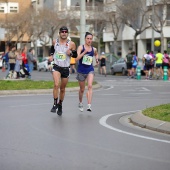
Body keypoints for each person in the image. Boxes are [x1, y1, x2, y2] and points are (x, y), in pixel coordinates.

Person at [48, 26, 77, 115]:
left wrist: (71, 53)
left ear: (67, 33)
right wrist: (51, 55)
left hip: (65, 68)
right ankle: (54, 103)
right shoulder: (55, 41)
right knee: (56, 84)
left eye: (65, 32)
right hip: (56, 66)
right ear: (59, 33)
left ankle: (60, 104)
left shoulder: (71, 44)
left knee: (63, 89)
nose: (64, 33)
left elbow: (75, 55)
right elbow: (52, 49)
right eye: (62, 32)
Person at [75, 32, 99, 112]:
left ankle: (89, 105)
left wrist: (97, 59)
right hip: (81, 70)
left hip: (90, 69)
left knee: (90, 86)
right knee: (82, 89)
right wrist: (84, 53)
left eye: (90, 39)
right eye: (88, 39)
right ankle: (80, 102)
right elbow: (76, 59)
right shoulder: (80, 47)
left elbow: (96, 54)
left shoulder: (93, 49)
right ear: (85, 39)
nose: (89, 40)